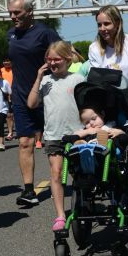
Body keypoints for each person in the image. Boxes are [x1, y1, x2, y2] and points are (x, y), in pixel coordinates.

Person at [88, 5, 128, 184]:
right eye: (99, 25)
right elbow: (97, 80)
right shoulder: (95, 48)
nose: (103, 29)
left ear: (117, 23)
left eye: (106, 24)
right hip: (110, 107)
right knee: (107, 145)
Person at [7, 0, 61, 206]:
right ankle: (28, 191)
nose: (13, 17)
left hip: (47, 93)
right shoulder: (11, 34)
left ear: (29, 12)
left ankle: (63, 180)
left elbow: (64, 54)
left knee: (54, 143)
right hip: (21, 95)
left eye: (17, 13)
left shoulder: (45, 33)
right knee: (24, 142)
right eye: (10, 13)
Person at [27, 40, 84, 231]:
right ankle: (60, 215)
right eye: (48, 59)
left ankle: (82, 205)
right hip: (53, 135)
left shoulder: (77, 79)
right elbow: (32, 104)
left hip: (77, 134)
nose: (52, 63)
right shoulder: (45, 81)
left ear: (67, 59)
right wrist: (37, 78)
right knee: (56, 173)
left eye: (56, 59)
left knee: (80, 175)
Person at [1, 58, 15, 140]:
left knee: (16, 114)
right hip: (5, 94)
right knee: (9, 115)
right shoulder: (1, 70)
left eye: (8, 61)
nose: (6, 62)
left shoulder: (15, 70)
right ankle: (10, 133)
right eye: (5, 61)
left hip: (15, 93)